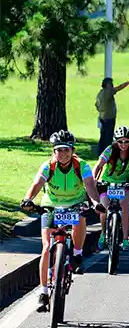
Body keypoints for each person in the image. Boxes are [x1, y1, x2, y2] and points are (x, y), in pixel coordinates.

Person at [20, 131, 105, 312]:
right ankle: (43, 291)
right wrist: (28, 199)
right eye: (59, 150)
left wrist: (96, 203)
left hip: (76, 203)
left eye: (66, 149)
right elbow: (37, 184)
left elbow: (90, 185)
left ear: (72, 150)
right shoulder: (48, 166)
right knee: (45, 248)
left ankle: (77, 253)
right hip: (51, 205)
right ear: (54, 152)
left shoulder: (81, 165)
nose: (63, 153)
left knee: (81, 217)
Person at [93, 126, 129, 251]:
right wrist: (95, 179)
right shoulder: (109, 150)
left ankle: (126, 238)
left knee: (124, 205)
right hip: (107, 183)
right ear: (116, 141)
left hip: (124, 184)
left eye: (126, 141)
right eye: (120, 141)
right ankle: (103, 233)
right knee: (104, 206)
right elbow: (98, 165)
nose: (123, 144)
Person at [95, 77, 129, 156]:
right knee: (108, 137)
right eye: (111, 83)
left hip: (102, 117)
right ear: (108, 84)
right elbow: (120, 87)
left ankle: (100, 152)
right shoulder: (108, 91)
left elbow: (96, 105)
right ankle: (107, 154)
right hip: (109, 118)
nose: (112, 85)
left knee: (103, 136)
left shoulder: (100, 93)